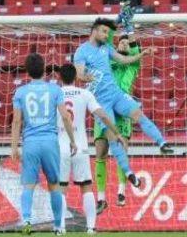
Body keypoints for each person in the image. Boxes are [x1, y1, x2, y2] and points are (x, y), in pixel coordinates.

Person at [73, 17, 174, 192]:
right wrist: (86, 77)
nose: (106, 35)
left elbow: (123, 59)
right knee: (113, 139)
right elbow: (79, 74)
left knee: (139, 115)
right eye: (104, 31)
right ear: (94, 30)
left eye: (107, 32)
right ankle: (128, 173)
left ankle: (162, 143)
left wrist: (142, 54)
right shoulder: (81, 52)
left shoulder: (107, 48)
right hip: (99, 102)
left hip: (117, 94)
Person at [11, 53, 76, 235]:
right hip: (50, 142)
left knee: (28, 185)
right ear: (44, 69)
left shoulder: (21, 92)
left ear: (27, 71)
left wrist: (14, 146)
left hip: (30, 142)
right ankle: (58, 226)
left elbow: (17, 121)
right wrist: (72, 140)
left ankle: (26, 220)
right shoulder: (55, 90)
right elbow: (65, 116)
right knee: (54, 184)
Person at [56, 63, 126, 234]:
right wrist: (116, 133)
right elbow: (102, 114)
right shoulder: (85, 93)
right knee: (86, 186)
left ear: (60, 78)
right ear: (75, 78)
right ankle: (91, 227)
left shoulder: (54, 94)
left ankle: (61, 228)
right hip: (80, 147)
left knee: (61, 188)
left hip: (60, 147)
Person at [94, 33, 141, 212]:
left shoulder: (133, 64)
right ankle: (101, 198)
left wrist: (130, 30)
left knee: (121, 152)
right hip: (104, 109)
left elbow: (135, 49)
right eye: (121, 42)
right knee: (101, 154)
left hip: (122, 111)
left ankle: (121, 192)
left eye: (127, 43)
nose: (124, 44)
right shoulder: (107, 62)